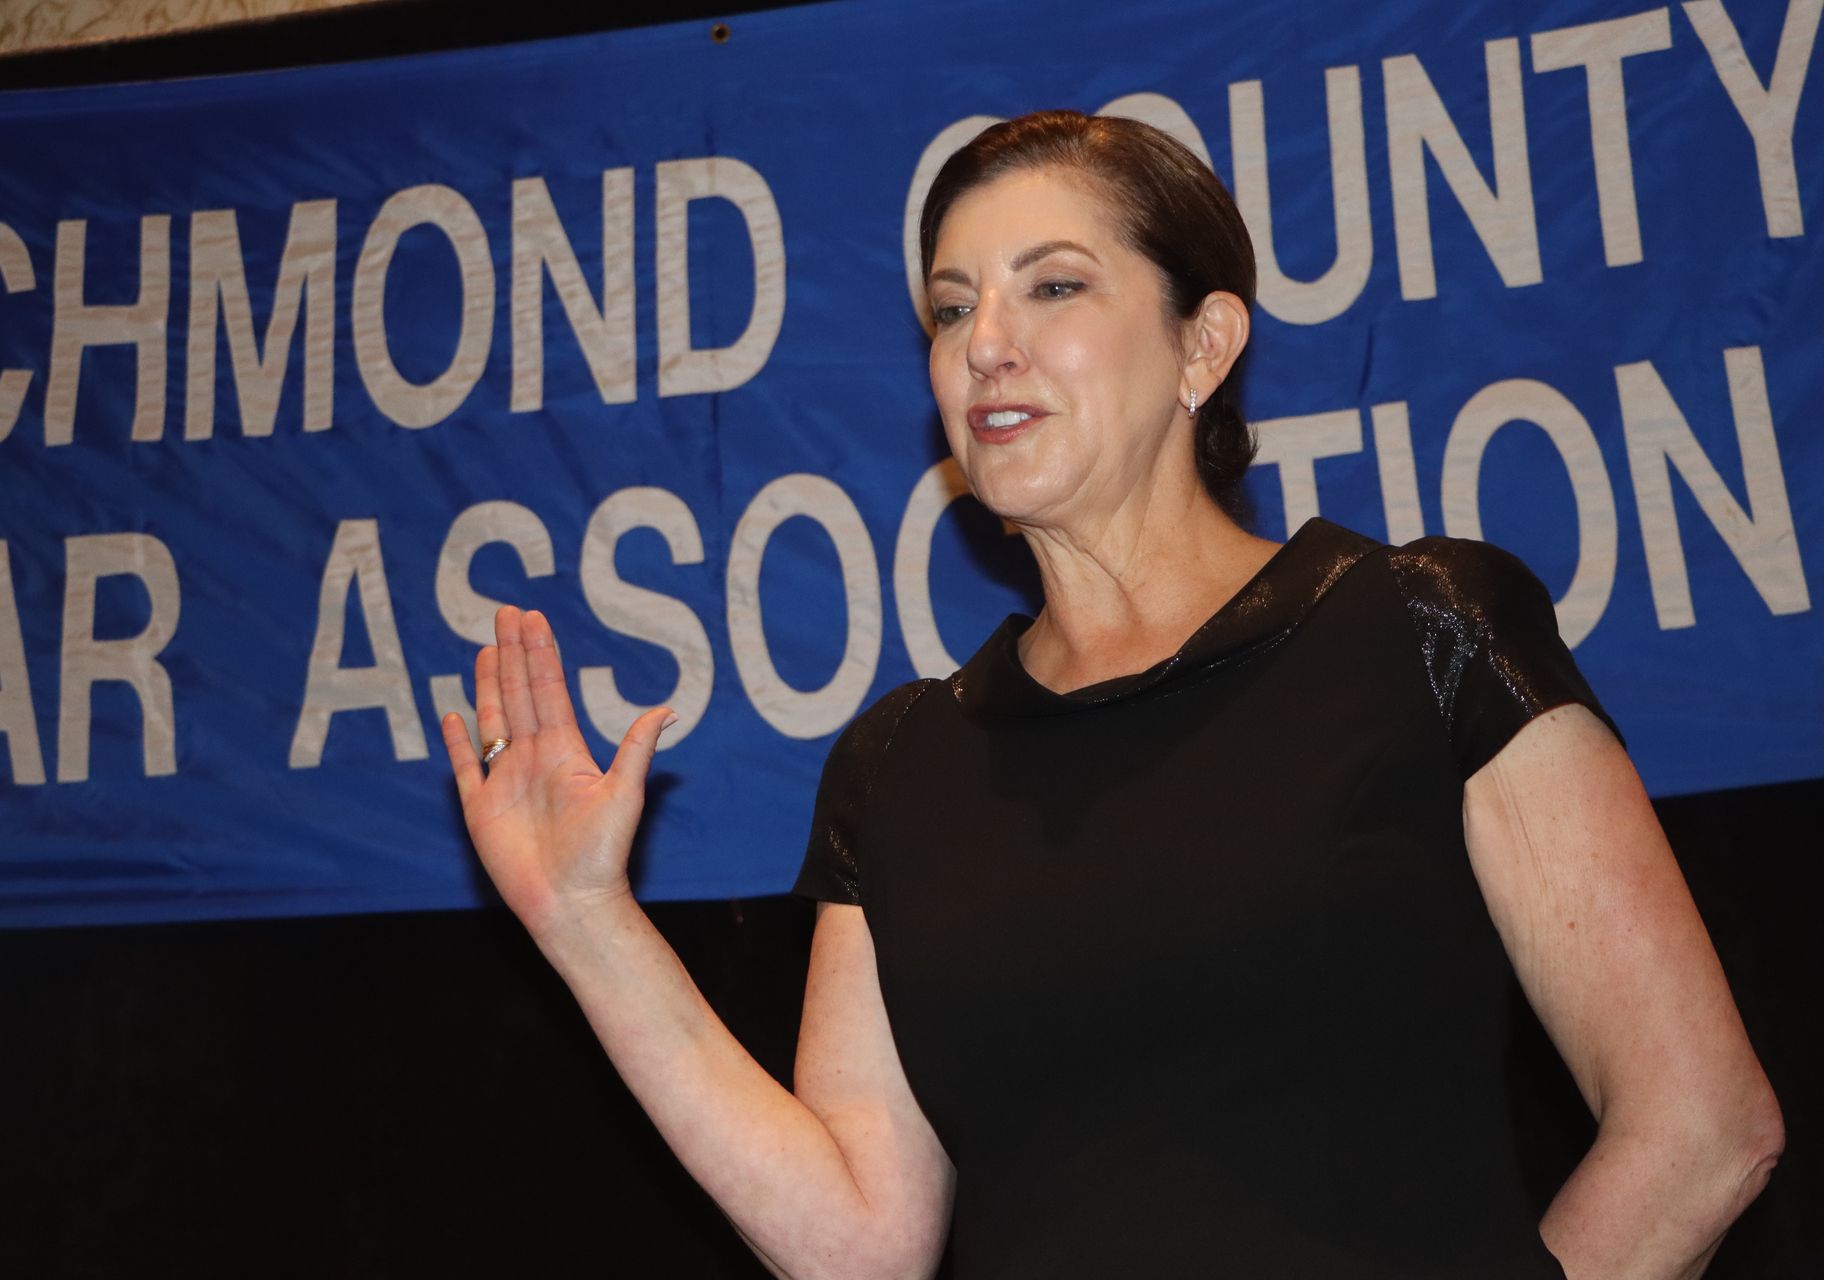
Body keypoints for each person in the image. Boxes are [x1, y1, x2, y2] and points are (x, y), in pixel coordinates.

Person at [438, 111, 1782, 1278]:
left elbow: (1703, 1126)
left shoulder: (1423, 629)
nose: (986, 345)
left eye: (1055, 287)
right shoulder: (902, 766)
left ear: (1204, 345)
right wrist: (588, 924)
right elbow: (858, 1248)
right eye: (952, 308)